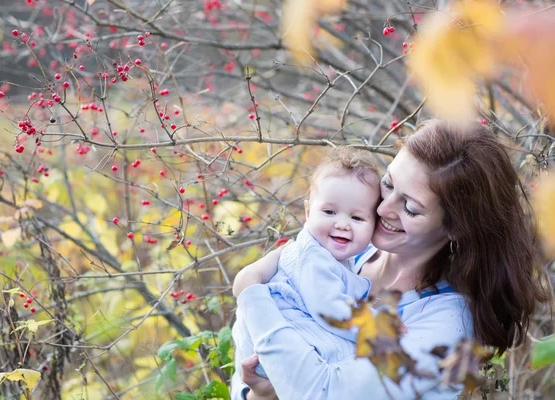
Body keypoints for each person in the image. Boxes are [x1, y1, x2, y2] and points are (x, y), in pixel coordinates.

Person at [230, 119, 550, 400]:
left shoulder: (446, 325)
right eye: (388, 184)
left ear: (456, 227)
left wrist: (250, 292)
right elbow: (252, 373)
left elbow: (321, 393)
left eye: (409, 206)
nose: (383, 209)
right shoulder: (351, 251)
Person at [233, 147, 380, 379]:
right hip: (282, 339)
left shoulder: (337, 256)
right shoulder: (313, 256)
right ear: (308, 211)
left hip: (288, 341)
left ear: (375, 225)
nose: (342, 224)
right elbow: (330, 309)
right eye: (329, 211)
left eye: (357, 217)